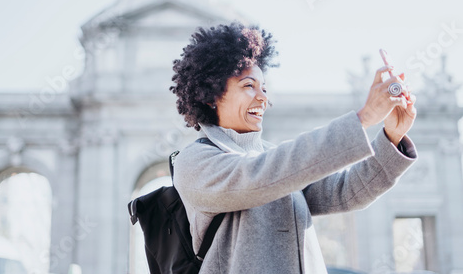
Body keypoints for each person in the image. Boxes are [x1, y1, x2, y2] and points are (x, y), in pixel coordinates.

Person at [169, 22, 417, 274]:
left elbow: (347, 191)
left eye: (264, 87)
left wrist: (392, 137)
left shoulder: (276, 159)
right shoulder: (194, 162)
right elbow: (261, 175)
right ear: (211, 96)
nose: (263, 97)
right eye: (248, 86)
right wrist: (363, 118)